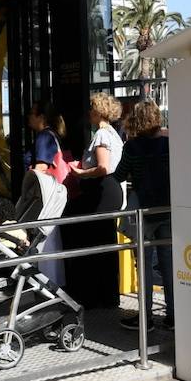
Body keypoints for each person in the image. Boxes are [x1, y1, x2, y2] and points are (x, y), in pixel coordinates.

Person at [116, 100, 173, 330]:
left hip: (144, 212)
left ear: (137, 120)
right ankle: (173, 317)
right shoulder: (169, 145)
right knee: (168, 263)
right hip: (168, 209)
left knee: (145, 264)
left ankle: (146, 318)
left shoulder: (132, 147)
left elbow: (119, 175)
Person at [65, 93, 125, 310]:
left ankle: (94, 295)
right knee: (105, 242)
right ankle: (108, 295)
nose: (89, 112)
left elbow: (103, 167)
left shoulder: (101, 134)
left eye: (92, 108)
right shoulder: (114, 134)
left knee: (95, 242)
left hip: (101, 191)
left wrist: (80, 173)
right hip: (110, 190)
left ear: (99, 111)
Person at [25, 101, 68, 286]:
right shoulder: (52, 135)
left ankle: (46, 287)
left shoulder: (44, 137)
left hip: (45, 199)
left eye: (32, 113)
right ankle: (51, 286)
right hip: (51, 196)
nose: (28, 117)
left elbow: (41, 168)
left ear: (41, 117)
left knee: (45, 243)